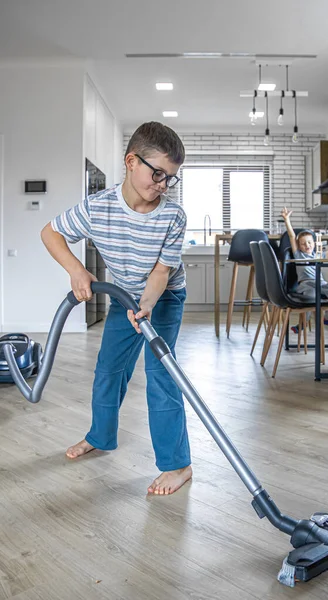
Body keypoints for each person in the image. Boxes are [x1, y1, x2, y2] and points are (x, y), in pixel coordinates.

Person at [41, 122, 192, 496]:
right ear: (130, 161)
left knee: (161, 373)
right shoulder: (97, 208)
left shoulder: (173, 216)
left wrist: (146, 306)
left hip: (164, 297)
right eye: (157, 173)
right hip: (123, 295)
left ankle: (178, 465)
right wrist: (77, 270)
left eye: (170, 178)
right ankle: (100, 436)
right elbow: (51, 232)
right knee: (110, 369)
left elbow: (161, 271)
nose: (162, 184)